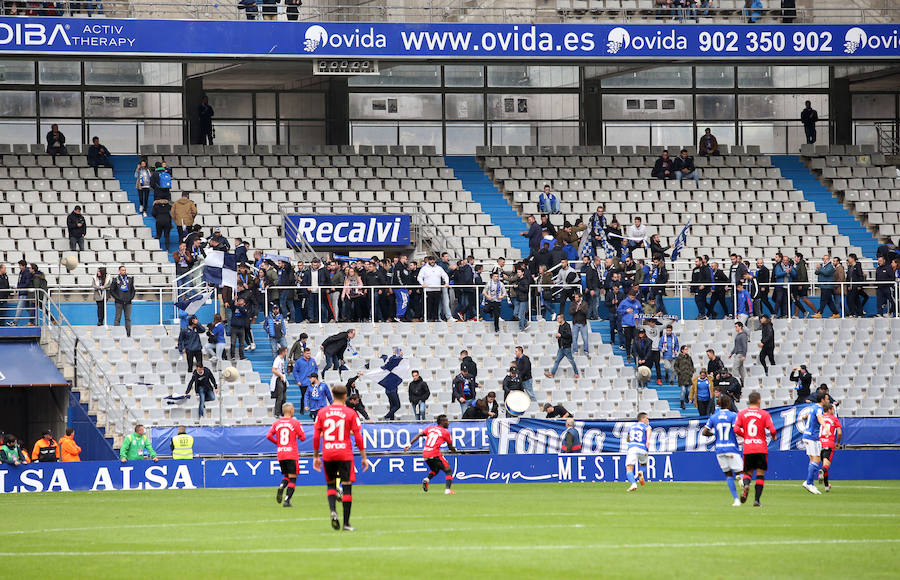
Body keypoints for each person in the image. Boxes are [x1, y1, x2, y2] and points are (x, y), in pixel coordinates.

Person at [313, 384, 368, 531]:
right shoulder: (350, 413)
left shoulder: (322, 412)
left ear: (332, 394)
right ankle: (346, 523)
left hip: (328, 453)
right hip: (344, 453)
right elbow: (358, 436)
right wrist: (363, 457)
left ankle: (333, 510)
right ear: (345, 396)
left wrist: (316, 456)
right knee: (347, 486)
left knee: (331, 484)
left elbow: (316, 436)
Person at [733, 392, 776, 506]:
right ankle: (757, 500)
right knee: (760, 474)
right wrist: (774, 437)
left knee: (748, 473)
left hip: (748, 447)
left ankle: (746, 485)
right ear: (759, 400)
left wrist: (745, 436)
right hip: (761, 447)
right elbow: (772, 430)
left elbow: (736, 428)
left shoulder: (742, 413)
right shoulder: (764, 414)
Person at [702, 394, 743, 506]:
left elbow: (704, 432)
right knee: (740, 471)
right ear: (729, 404)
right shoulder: (732, 415)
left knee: (728, 474)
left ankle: (736, 500)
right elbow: (735, 429)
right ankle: (742, 480)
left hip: (719, 449)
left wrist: (715, 434)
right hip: (731, 448)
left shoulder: (714, 417)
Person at [404, 414, 458, 495]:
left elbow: (419, 434)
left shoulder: (430, 428)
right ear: (442, 422)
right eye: (446, 421)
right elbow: (450, 447)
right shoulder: (445, 432)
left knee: (435, 469)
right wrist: (455, 450)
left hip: (425, 453)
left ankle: (427, 479)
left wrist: (409, 444)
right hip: (435, 453)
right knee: (448, 471)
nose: (448, 423)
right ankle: (447, 490)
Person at [267, 402, 307, 508]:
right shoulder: (295, 423)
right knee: (293, 478)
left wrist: (278, 443)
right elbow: (303, 437)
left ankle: (281, 486)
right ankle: (287, 500)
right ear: (291, 410)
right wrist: (298, 436)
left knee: (286, 476)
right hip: (291, 453)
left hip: (281, 453)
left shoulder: (277, 423)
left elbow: (268, 436)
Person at [800, 397, 825, 494]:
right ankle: (809, 483)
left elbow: (806, 416)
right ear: (822, 400)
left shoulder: (812, 407)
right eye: (827, 399)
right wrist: (825, 425)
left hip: (806, 435)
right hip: (812, 437)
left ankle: (809, 482)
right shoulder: (819, 408)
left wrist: (805, 417)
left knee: (812, 459)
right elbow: (819, 417)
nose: (828, 401)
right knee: (817, 459)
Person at [545, 314, 579, 380]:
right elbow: (562, 336)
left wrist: (560, 335)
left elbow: (569, 335)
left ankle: (576, 373)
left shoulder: (567, 325)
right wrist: (558, 337)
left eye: (558, 318)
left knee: (571, 361)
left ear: (562, 318)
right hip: (561, 348)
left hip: (566, 348)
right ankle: (552, 374)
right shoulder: (560, 326)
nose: (557, 320)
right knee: (557, 361)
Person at [819, 402, 842, 492]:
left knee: (824, 463)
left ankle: (826, 486)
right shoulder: (834, 419)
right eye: (832, 409)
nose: (833, 411)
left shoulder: (820, 417)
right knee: (826, 466)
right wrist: (838, 443)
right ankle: (822, 471)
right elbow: (839, 432)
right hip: (829, 443)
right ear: (829, 410)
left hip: (820, 443)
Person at [625, 413, 650, 492]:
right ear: (642, 419)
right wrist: (648, 440)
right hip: (642, 448)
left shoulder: (631, 427)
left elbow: (627, 439)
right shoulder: (646, 426)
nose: (647, 420)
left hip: (632, 448)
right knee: (643, 464)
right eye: (646, 418)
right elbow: (649, 430)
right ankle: (641, 471)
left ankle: (633, 484)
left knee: (629, 468)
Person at [109, 266, 135, 337]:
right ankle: (116, 334)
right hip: (119, 302)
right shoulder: (115, 280)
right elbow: (111, 290)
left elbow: (133, 290)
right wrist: (118, 298)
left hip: (128, 302)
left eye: (125, 270)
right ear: (119, 271)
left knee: (128, 319)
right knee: (118, 318)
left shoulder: (130, 279)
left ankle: (128, 334)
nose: (124, 271)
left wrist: (130, 298)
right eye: (122, 270)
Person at [291, 348, 317, 415]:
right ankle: (302, 409)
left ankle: (312, 410)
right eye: (307, 353)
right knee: (304, 396)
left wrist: (315, 378)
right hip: (303, 382)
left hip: (311, 382)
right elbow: (295, 371)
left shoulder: (313, 361)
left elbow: (316, 369)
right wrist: (298, 380)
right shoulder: (299, 361)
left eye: (309, 353)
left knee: (313, 396)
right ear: (304, 353)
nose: (309, 355)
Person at [674, 345, 695, 410]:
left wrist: (691, 372)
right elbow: (675, 366)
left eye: (687, 349)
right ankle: (682, 403)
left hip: (688, 376)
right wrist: (679, 372)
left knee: (688, 390)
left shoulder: (689, 358)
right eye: (685, 349)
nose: (686, 350)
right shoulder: (679, 358)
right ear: (682, 350)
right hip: (682, 377)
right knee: (683, 390)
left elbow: (692, 365)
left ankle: (686, 396)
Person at [569, 291, 590, 356]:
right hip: (575, 323)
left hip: (583, 323)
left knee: (585, 338)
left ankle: (586, 351)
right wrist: (576, 310)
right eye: (575, 297)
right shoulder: (573, 303)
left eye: (577, 297)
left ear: (580, 298)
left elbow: (586, 312)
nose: (575, 298)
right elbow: (570, 312)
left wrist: (580, 308)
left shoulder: (585, 303)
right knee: (574, 338)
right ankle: (575, 351)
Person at [271, 346, 289, 418]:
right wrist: (280, 375)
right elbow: (274, 370)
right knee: (280, 396)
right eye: (286, 351)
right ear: (283, 352)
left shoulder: (282, 360)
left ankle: (282, 412)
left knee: (284, 397)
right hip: (278, 379)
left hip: (282, 378)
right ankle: (277, 413)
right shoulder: (277, 359)